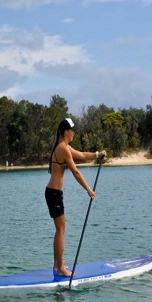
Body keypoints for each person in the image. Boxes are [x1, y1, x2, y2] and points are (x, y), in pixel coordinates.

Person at [45, 118, 106, 278]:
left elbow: (82, 155)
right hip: (53, 194)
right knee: (61, 229)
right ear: (66, 132)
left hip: (54, 193)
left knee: (60, 230)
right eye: (73, 130)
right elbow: (76, 171)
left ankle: (56, 265)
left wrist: (98, 154)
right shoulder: (62, 149)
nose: (74, 133)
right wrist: (88, 189)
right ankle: (60, 269)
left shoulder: (65, 147)